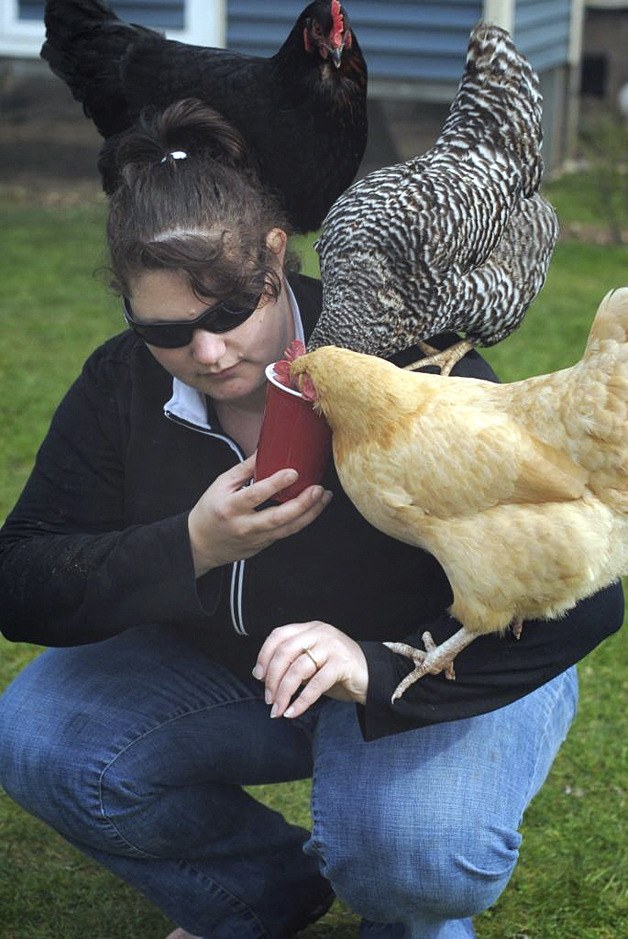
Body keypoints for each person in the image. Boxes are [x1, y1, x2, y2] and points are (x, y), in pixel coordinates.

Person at [0, 99, 622, 939]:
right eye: (166, 329)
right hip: (238, 673)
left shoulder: (407, 368)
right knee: (43, 736)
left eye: (227, 312)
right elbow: (22, 579)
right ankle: (255, 896)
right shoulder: (122, 384)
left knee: (416, 847)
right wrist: (191, 545)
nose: (209, 352)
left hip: (444, 666)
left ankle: (405, 904)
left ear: (273, 258)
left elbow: (589, 589)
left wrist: (371, 665)